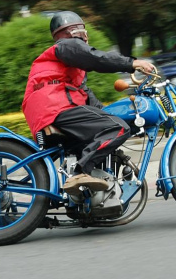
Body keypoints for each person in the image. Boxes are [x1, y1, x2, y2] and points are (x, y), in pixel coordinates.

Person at [22, 11, 154, 195]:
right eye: (80, 30)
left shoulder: (69, 66)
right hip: (54, 106)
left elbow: (87, 99)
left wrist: (117, 117)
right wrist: (132, 63)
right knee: (118, 128)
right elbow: (98, 59)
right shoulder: (65, 46)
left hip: (50, 108)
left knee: (112, 127)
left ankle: (91, 198)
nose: (83, 35)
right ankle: (80, 172)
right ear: (71, 32)